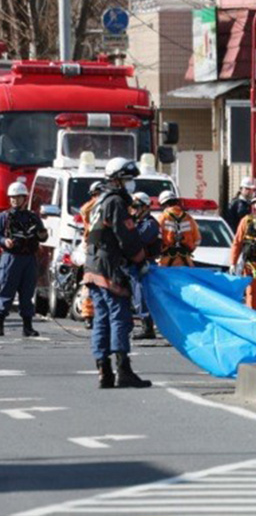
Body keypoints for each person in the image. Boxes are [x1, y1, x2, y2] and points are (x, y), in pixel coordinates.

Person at [82, 157, 151, 389]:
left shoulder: (100, 202)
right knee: (119, 317)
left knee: (101, 319)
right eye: (128, 179)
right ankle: (123, 370)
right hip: (109, 267)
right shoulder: (115, 203)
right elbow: (128, 238)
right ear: (117, 181)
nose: (131, 184)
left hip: (93, 266)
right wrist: (141, 259)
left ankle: (104, 370)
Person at [0, 181, 48, 337]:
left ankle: (27, 326)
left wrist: (41, 234)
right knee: (5, 290)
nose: (14, 200)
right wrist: (4, 241)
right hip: (11, 258)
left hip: (29, 259)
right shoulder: (4, 217)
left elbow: (43, 236)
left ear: (24, 198)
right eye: (12, 198)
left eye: (18, 197)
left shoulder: (33, 217)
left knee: (27, 293)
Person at [129, 192, 161, 340]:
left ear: (144, 207)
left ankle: (148, 327)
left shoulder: (150, 223)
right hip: (133, 263)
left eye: (136, 207)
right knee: (133, 295)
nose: (133, 210)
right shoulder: (136, 222)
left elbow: (139, 240)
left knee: (141, 294)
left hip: (145, 263)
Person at [76, 181, 106, 328]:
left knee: (92, 283)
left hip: (95, 248)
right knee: (93, 283)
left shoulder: (91, 207)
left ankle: (91, 315)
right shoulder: (96, 206)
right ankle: (89, 314)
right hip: (96, 248)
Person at [157, 191, 200, 268]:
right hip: (186, 262)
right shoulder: (189, 218)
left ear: (164, 204)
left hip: (166, 263)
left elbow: (157, 239)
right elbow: (197, 240)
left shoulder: (162, 218)